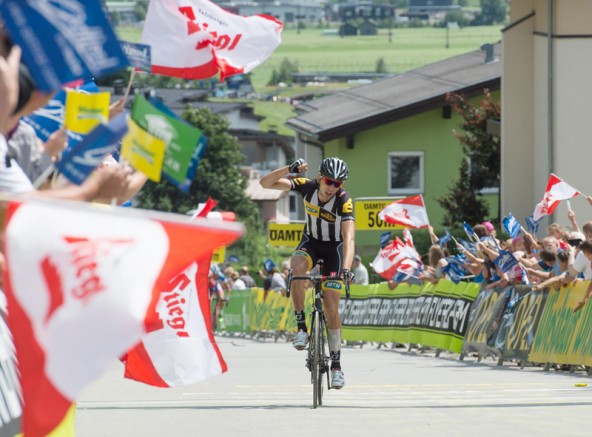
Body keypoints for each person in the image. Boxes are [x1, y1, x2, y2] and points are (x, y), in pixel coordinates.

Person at [260, 157, 355, 389]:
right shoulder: (307, 186)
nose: (332, 187)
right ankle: (302, 327)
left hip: (334, 250)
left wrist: (346, 269)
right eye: (330, 182)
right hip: (311, 243)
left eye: (338, 184)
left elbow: (349, 238)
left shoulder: (344, 201)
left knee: (332, 307)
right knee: (297, 269)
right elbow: (265, 183)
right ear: (321, 178)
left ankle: (336, 365)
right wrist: (288, 169)